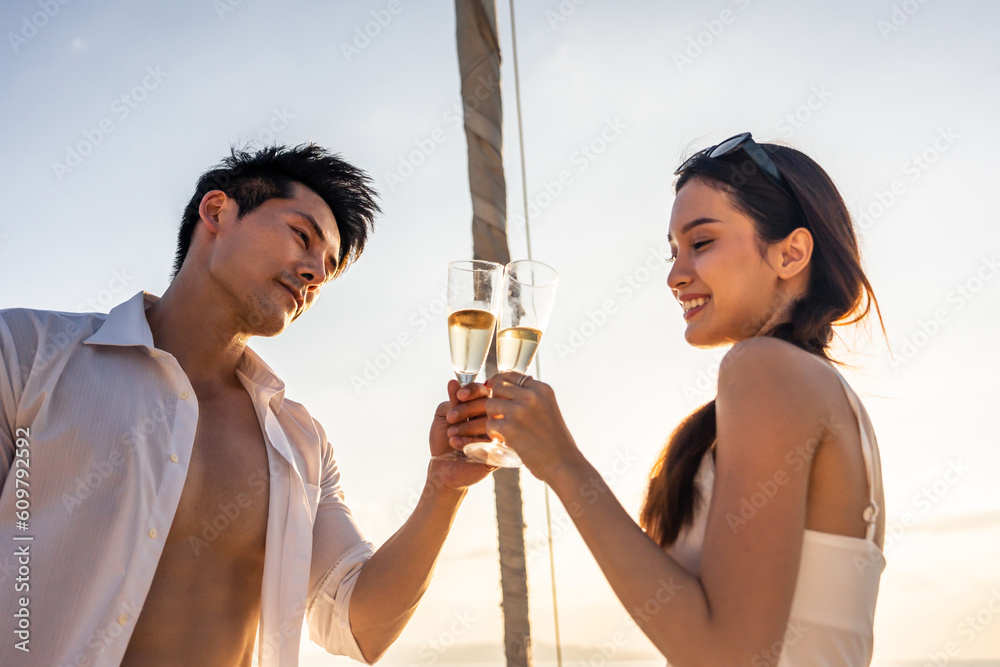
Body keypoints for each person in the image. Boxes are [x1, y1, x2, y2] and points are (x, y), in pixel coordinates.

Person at [0, 144, 493, 666]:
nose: (313, 274)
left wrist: (442, 489)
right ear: (216, 212)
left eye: (326, 270)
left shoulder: (302, 444)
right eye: (302, 237)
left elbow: (357, 623)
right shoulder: (27, 353)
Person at [462, 133, 887, 665]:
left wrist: (563, 465)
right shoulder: (820, 391)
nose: (673, 274)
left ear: (791, 253)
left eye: (701, 242)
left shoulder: (766, 370)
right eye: (672, 251)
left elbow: (728, 654)